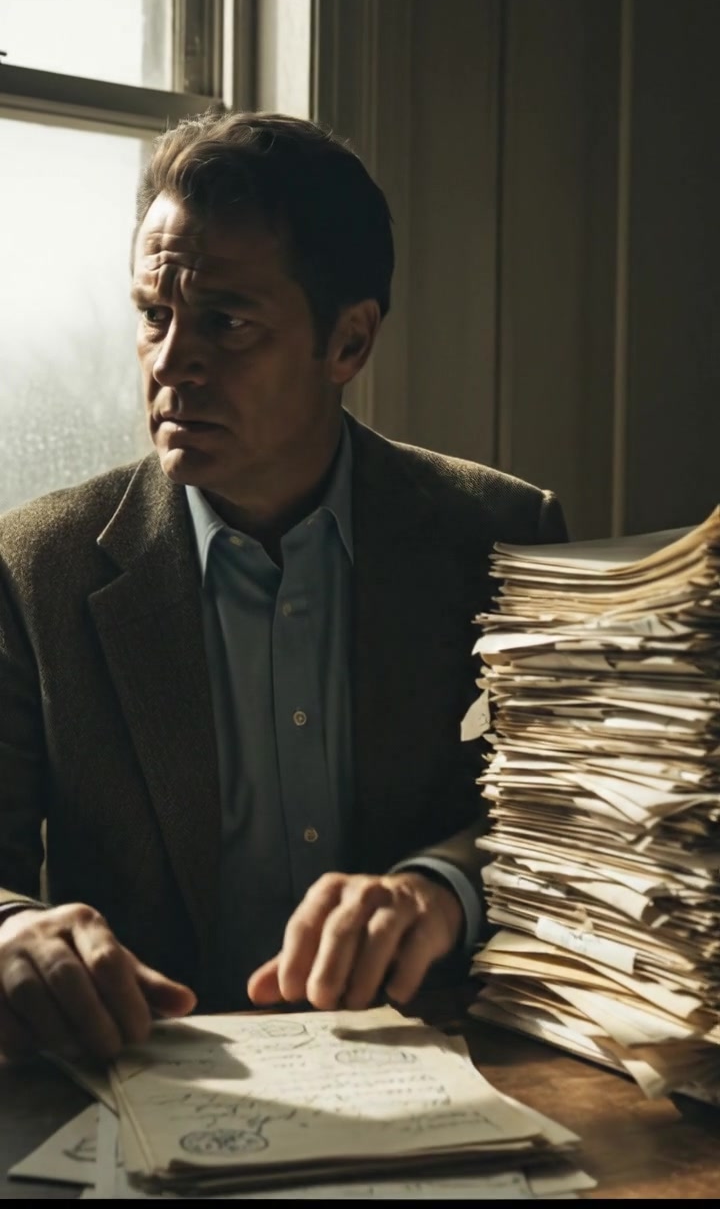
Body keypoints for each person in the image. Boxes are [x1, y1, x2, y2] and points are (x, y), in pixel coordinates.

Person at [0, 110, 567, 1063]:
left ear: (348, 343)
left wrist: (439, 888)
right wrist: (13, 930)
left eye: (225, 322)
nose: (171, 364)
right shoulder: (33, 569)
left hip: (449, 1088)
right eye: (153, 315)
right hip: (143, 1101)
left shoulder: (503, 539)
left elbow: (572, 834)